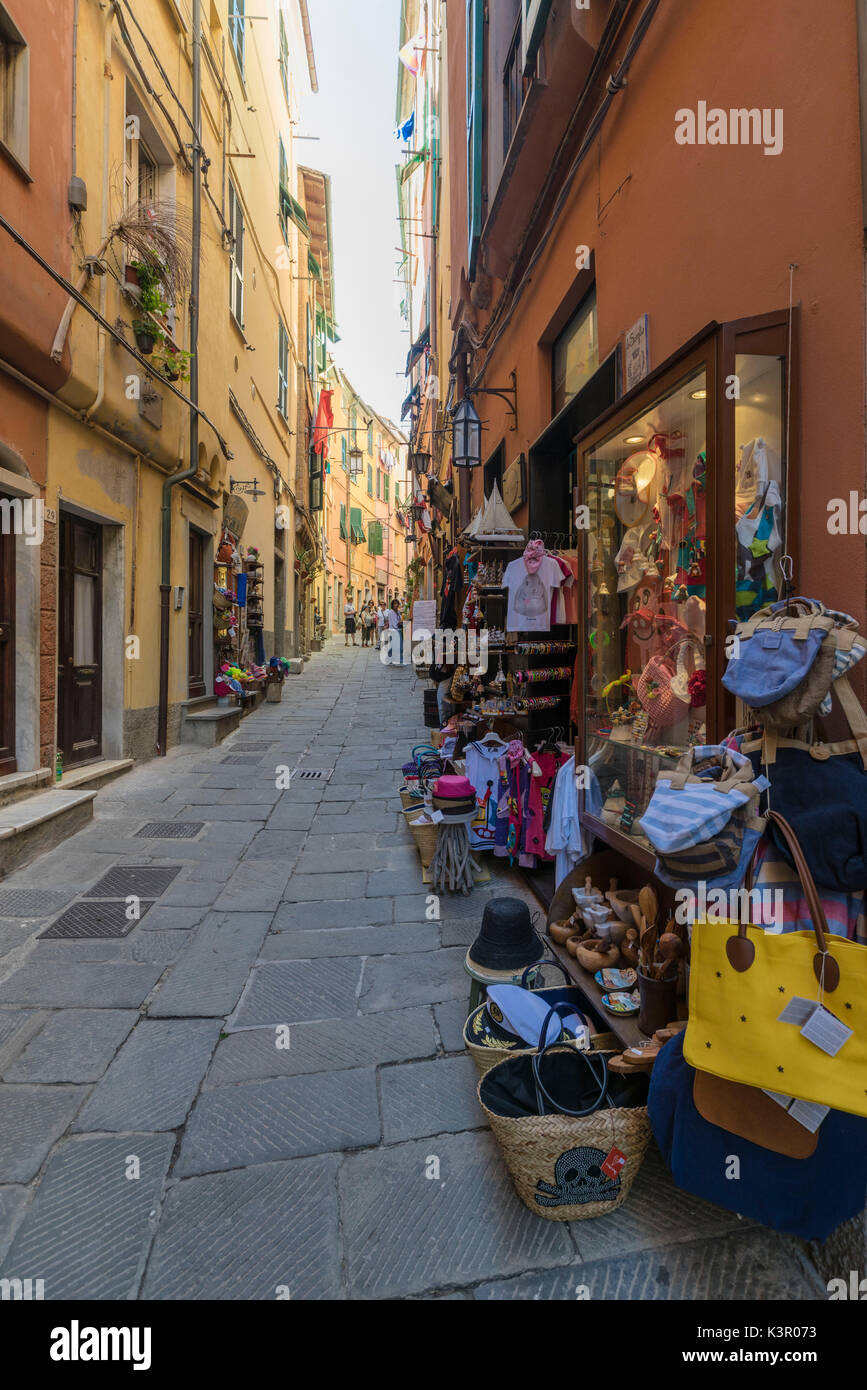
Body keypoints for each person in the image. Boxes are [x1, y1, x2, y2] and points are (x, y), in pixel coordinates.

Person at [386, 597, 404, 664]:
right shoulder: (391, 612)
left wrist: (400, 622)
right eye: (394, 604)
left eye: (397, 604)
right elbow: (394, 623)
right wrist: (400, 622)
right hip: (393, 631)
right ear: (392, 605)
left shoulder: (398, 612)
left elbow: (399, 620)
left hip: (398, 630)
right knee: (392, 646)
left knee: (400, 647)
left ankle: (400, 660)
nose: (396, 605)